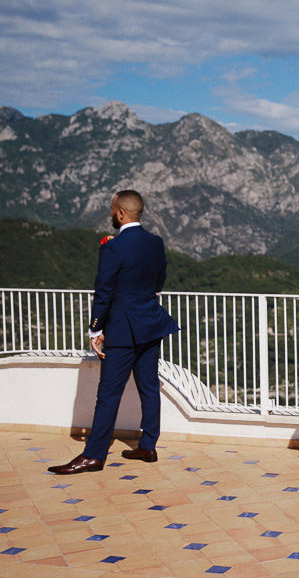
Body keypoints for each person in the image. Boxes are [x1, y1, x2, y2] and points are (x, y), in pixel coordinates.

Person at [49, 190, 179, 475]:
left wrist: (95, 328)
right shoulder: (156, 243)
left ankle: (94, 456)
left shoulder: (113, 247)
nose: (111, 214)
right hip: (150, 324)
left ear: (120, 213)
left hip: (121, 331)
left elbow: (104, 291)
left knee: (108, 395)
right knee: (148, 387)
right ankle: (148, 446)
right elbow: (160, 278)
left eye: (112, 209)